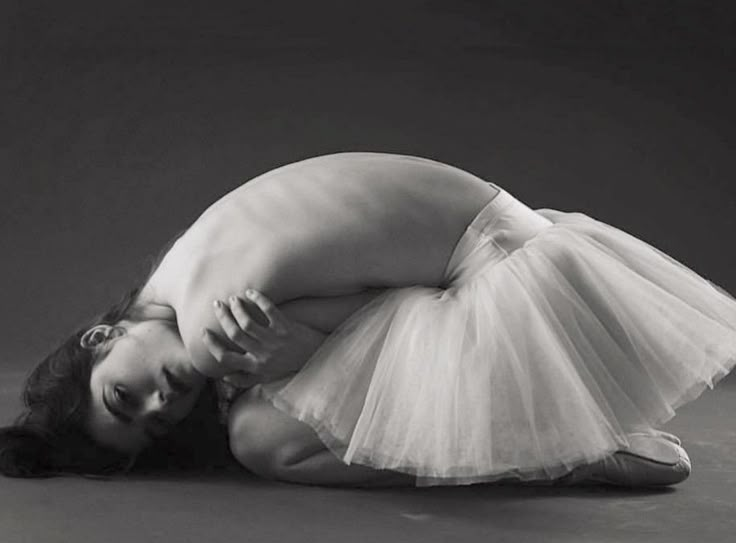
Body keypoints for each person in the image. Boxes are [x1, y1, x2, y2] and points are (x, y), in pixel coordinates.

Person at [2, 152, 734, 487]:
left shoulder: (209, 332)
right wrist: (299, 353)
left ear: (101, 338)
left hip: (518, 295)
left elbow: (399, 314)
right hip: (543, 257)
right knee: (270, 398)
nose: (165, 402)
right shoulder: (184, 267)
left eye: (122, 397)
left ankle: (557, 455)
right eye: (155, 423)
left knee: (261, 439)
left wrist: (297, 355)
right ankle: (564, 430)